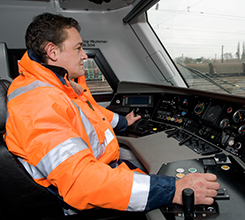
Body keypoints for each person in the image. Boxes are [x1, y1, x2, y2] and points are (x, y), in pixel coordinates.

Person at [5, 13, 219, 214]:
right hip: (84, 203)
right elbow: (81, 181)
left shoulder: (51, 85)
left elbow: (91, 115)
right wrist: (173, 190)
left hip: (103, 171)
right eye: (78, 48)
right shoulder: (38, 102)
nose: (84, 55)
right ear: (52, 52)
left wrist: (123, 121)